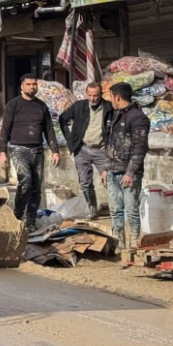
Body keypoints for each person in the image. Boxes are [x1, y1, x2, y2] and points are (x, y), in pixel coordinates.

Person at [0, 74, 60, 231]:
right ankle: (18, 216)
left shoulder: (41, 106)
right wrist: (2, 151)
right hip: (19, 150)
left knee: (36, 187)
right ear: (22, 86)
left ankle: (31, 220)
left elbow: (49, 129)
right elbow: (5, 129)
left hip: (38, 151)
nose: (32, 87)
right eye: (29, 84)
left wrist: (55, 151)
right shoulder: (13, 105)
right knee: (25, 181)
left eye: (34, 84)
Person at [104, 82, 150, 250]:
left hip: (129, 173)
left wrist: (130, 172)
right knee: (115, 210)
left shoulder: (138, 117)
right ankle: (119, 246)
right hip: (112, 170)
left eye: (111, 97)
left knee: (131, 210)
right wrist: (105, 168)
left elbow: (140, 147)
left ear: (117, 97)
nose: (110, 101)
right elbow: (110, 143)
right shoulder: (115, 115)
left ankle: (134, 246)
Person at [59, 82, 113, 217]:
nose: (93, 98)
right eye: (90, 95)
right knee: (85, 182)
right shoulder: (79, 106)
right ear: (86, 94)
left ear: (101, 94)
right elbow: (62, 119)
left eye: (96, 96)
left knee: (110, 180)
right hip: (82, 149)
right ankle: (92, 209)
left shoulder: (109, 108)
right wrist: (71, 138)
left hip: (101, 150)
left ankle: (117, 209)